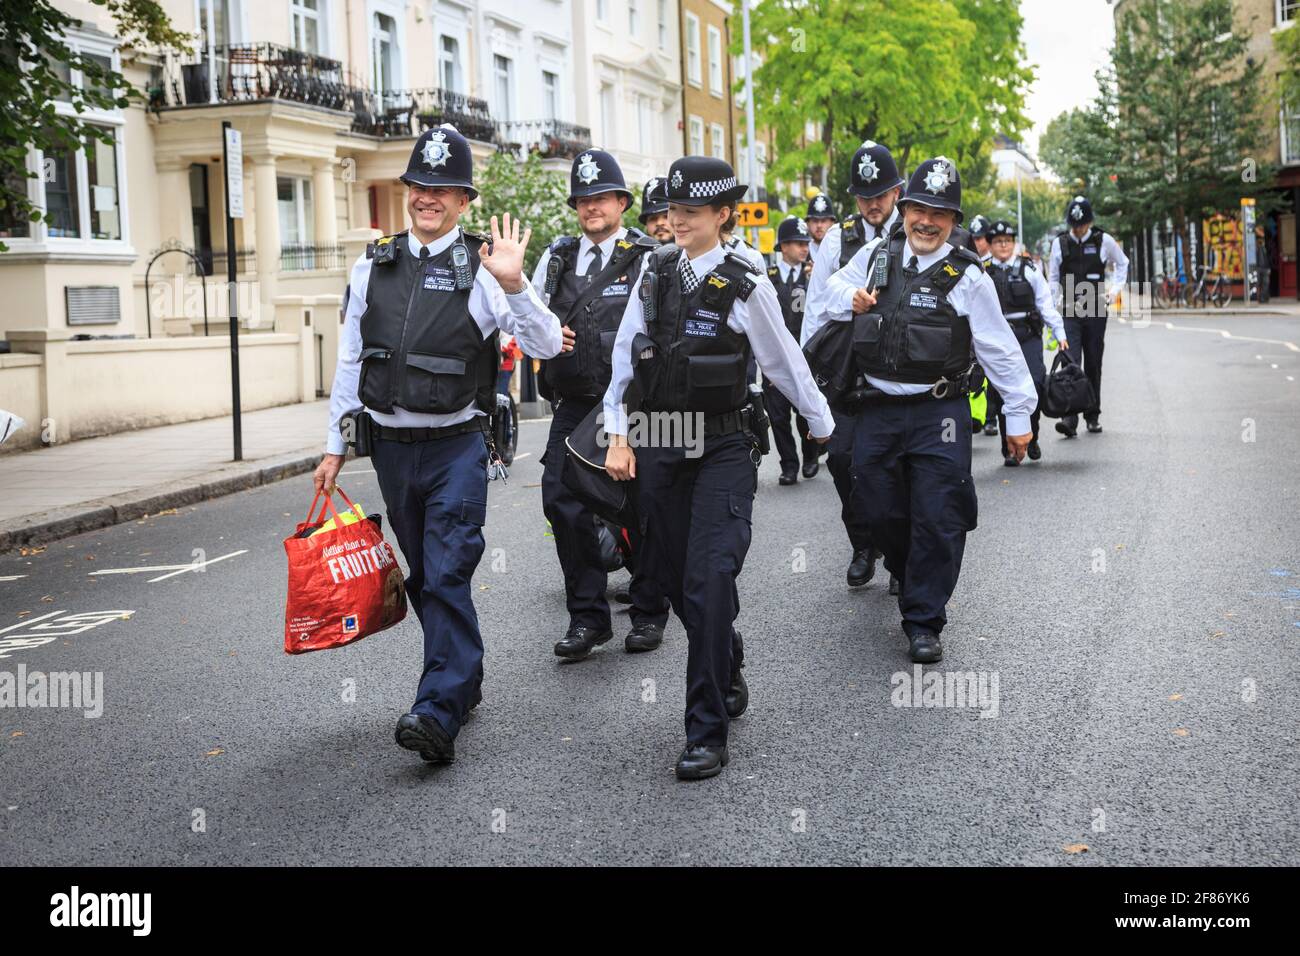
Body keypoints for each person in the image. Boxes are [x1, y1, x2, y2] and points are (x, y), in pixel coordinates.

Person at [315, 124, 567, 765]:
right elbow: (350, 361)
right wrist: (335, 445)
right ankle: (464, 675)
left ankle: (437, 708)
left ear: (463, 201)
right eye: (419, 186)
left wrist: (515, 284)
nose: (428, 198)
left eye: (443, 189)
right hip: (393, 449)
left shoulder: (484, 268)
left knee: (449, 569)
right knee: (426, 576)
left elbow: (541, 347)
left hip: (457, 446)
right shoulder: (372, 263)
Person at [602, 156, 833, 781]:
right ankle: (724, 655)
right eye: (672, 210)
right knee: (677, 581)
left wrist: (820, 421)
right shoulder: (652, 274)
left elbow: (782, 361)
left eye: (692, 212)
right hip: (659, 446)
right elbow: (625, 361)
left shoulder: (745, 283)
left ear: (722, 215)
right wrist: (617, 435)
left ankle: (704, 729)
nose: (677, 221)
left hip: (725, 448)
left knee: (708, 578)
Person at [822, 157, 1036, 664]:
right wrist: (848, 295)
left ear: (953, 222)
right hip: (876, 408)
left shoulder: (968, 276)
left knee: (940, 515)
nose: (927, 221)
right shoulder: (876, 254)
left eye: (941, 214)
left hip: (940, 413)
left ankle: (924, 619)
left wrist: (1020, 416)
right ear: (905, 208)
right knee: (876, 509)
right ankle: (906, 567)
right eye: (920, 209)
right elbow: (829, 288)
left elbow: (1000, 349)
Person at [530, 148, 670, 659]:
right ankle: (588, 618)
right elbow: (529, 322)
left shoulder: (651, 257)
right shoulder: (557, 259)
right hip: (575, 402)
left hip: (637, 406)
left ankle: (650, 608)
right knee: (560, 501)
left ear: (622, 202)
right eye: (583, 199)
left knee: (645, 504)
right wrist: (544, 336)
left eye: (602, 197)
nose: (592, 207)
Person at [803, 140, 905, 591]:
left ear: (897, 192)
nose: (872, 205)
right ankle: (863, 543)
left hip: (900, 369)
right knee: (843, 461)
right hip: (846, 370)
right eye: (864, 197)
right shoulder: (837, 240)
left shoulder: (916, 231)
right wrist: (810, 396)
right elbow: (816, 306)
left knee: (898, 464)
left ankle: (902, 555)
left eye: (880, 195)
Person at [985, 220, 1068, 466]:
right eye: (998, 241)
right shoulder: (982, 271)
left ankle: (1031, 437)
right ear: (990, 244)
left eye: (1007, 241)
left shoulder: (1028, 269)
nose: (1003, 245)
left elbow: (1045, 304)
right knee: (1001, 392)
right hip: (998, 341)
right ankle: (1009, 447)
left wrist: (1060, 334)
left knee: (1035, 385)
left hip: (1028, 337)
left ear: (1013, 243)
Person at [1047, 195, 1128, 437]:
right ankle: (1069, 417)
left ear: (1090, 222)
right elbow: (1052, 277)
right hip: (1070, 310)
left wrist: (1113, 292)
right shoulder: (1059, 244)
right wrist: (1053, 304)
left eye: (1082, 225)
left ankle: (1092, 415)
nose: (1079, 230)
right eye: (1075, 225)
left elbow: (1123, 263)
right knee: (1070, 361)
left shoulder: (1103, 240)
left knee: (1093, 362)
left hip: (1095, 309)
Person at [765, 216, 820, 484]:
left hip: (804, 357)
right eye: (798, 243)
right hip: (775, 360)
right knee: (778, 417)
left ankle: (810, 456)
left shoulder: (814, 276)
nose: (804, 248)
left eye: (806, 243)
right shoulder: (768, 276)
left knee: (804, 413)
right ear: (783, 246)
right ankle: (789, 465)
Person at [639, 176, 674, 245]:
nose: (659, 223)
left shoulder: (696, 253)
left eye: (666, 216)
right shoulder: (636, 255)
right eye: (653, 219)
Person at [805, 193, 837, 262]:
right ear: (807, 224)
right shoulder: (800, 254)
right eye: (815, 221)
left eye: (823, 221)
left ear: (832, 223)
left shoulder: (839, 250)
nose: (819, 225)